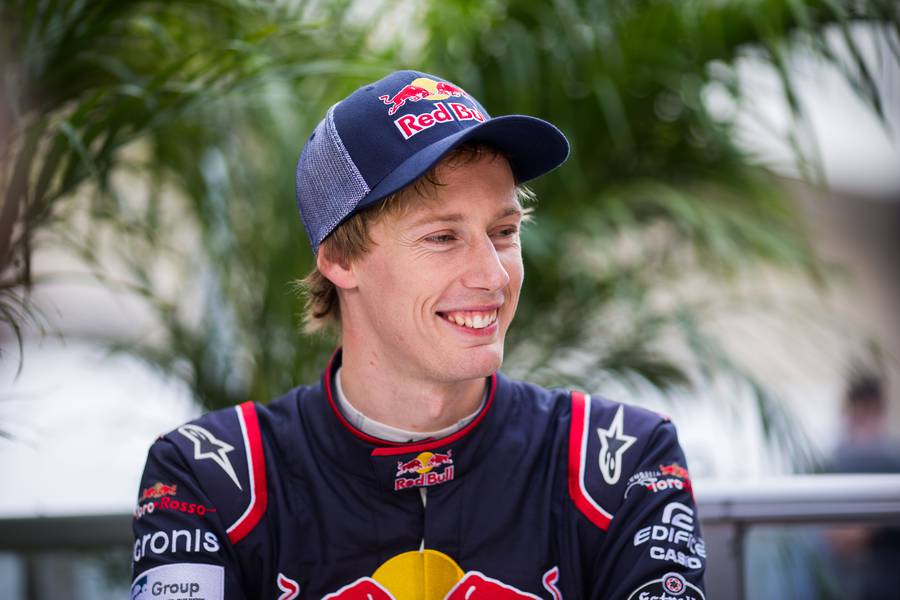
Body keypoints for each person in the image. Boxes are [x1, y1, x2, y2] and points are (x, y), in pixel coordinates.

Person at [131, 70, 707, 600]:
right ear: (339, 259)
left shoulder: (622, 460)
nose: (493, 274)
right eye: (442, 238)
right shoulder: (208, 475)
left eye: (503, 231)